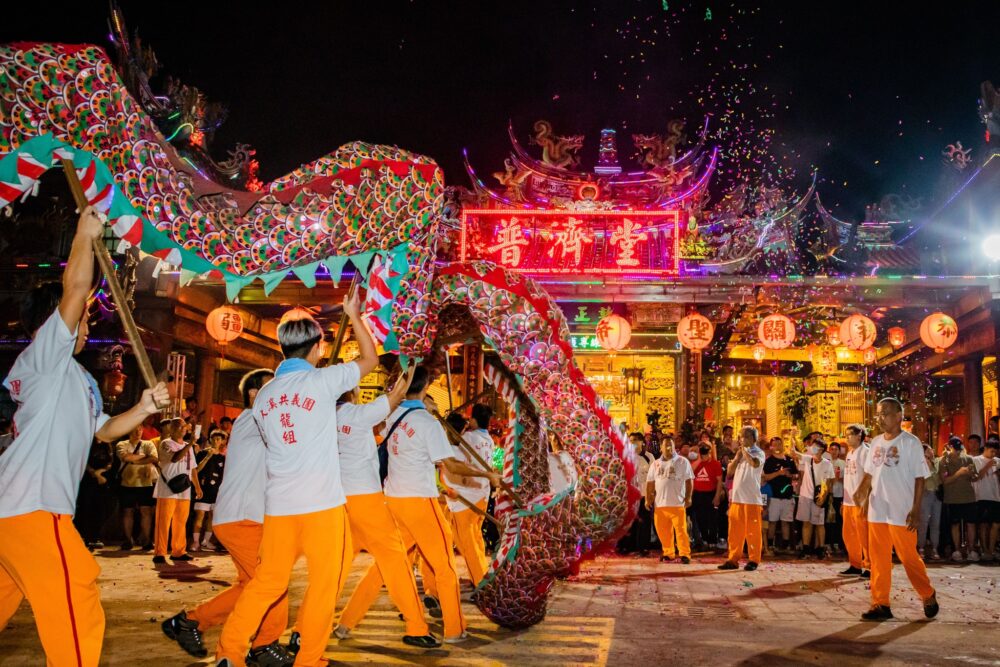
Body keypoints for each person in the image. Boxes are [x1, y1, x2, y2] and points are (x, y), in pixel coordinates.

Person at [0, 205, 169, 666]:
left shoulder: (75, 378)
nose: (87, 324)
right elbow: (76, 288)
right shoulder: (43, 357)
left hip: (16, 510)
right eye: (80, 319)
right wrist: (84, 233)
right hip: (33, 508)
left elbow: (105, 432)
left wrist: (143, 407)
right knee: (77, 598)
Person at [214, 296, 376, 667]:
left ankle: (230, 651)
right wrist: (354, 316)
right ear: (318, 347)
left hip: (279, 507)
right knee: (322, 586)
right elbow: (369, 361)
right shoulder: (323, 381)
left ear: (283, 346)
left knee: (266, 583)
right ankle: (309, 659)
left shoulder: (265, 396)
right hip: (321, 505)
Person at [340, 366, 501, 644]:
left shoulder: (391, 418)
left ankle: (346, 622)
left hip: (394, 500)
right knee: (445, 566)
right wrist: (487, 474)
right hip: (420, 503)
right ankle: (454, 629)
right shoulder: (428, 424)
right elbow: (451, 466)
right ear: (426, 387)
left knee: (385, 566)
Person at [332, 368, 440, 648]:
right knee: (396, 563)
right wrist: (413, 365)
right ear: (353, 391)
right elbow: (397, 396)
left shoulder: (322, 418)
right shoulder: (357, 415)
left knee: (333, 571)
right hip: (366, 500)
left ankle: (305, 630)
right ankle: (416, 627)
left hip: (337, 501)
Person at [853, 397, 938, 621]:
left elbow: (920, 479)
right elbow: (870, 474)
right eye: (879, 414)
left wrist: (916, 509)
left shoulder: (910, 443)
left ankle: (927, 592)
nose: (881, 418)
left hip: (902, 510)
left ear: (899, 415)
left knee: (908, 556)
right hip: (877, 509)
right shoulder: (877, 442)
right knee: (878, 558)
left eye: (886, 413)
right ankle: (880, 603)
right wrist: (862, 496)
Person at [444, 403, 496, 585]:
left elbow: (457, 464)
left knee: (467, 543)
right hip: (482, 495)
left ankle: (480, 582)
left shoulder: (466, 440)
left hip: (464, 499)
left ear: (473, 420)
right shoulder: (489, 440)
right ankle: (482, 572)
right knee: (475, 538)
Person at [153, 417, 202, 564]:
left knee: (181, 521)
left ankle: (178, 551)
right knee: (163, 521)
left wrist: (197, 487)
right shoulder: (166, 443)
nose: (184, 429)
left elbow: (192, 468)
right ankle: (160, 552)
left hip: (184, 489)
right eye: (180, 427)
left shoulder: (188, 445)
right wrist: (191, 444)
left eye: (184, 427)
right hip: (167, 489)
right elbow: (175, 458)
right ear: (172, 429)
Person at [718, 426, 765, 571]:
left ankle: (754, 559)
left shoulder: (759, 453)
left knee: (753, 531)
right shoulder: (739, 454)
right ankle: (733, 559)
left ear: (753, 439)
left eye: (744, 437)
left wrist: (744, 453)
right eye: (740, 437)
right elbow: (729, 474)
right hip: (737, 498)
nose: (741, 439)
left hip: (751, 499)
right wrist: (737, 459)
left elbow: (755, 463)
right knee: (735, 531)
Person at [646, 437, 694, 563]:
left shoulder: (683, 462)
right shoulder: (655, 463)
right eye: (666, 445)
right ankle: (668, 552)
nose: (668, 448)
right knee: (663, 531)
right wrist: (648, 498)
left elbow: (689, 481)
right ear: (661, 448)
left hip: (677, 503)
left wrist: (688, 497)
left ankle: (684, 554)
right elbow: (650, 483)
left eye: (671, 445)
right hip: (660, 505)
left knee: (681, 531)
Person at [116, 423, 159, 550]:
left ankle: (146, 540)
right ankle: (128, 540)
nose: (138, 432)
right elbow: (125, 457)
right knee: (127, 511)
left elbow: (155, 458)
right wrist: (146, 457)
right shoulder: (122, 444)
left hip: (145, 483)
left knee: (146, 511)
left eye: (140, 430)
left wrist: (133, 460)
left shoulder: (148, 444)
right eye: (135, 430)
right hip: (127, 482)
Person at [940, 436, 979, 561]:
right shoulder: (944, 461)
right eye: (955, 449)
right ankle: (956, 550)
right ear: (949, 447)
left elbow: (975, 477)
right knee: (955, 524)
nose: (957, 451)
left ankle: (971, 550)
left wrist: (972, 474)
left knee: (971, 524)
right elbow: (945, 481)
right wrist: (959, 473)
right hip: (952, 498)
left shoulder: (968, 459)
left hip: (968, 497)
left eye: (959, 449)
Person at [74, 437, 117, 550]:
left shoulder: (107, 445)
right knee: (86, 508)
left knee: (100, 509)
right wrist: (94, 473)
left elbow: (110, 462)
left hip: (103, 480)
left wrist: (101, 472)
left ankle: (95, 537)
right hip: (88, 481)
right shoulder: (87, 443)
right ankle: (84, 537)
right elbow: (84, 461)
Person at [840, 424, 871, 577]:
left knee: (864, 535)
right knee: (849, 535)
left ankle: (870, 567)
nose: (846, 438)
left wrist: (866, 499)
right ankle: (855, 564)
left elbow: (869, 476)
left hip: (861, 502)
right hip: (848, 502)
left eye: (849, 435)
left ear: (859, 435)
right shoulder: (850, 452)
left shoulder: (865, 452)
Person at [796, 440, 835, 560]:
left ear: (821, 449)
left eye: (814, 446)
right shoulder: (808, 459)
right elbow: (794, 453)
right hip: (805, 495)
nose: (811, 447)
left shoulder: (827, 464)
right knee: (806, 522)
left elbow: (829, 482)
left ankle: (820, 548)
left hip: (819, 497)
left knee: (819, 524)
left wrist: (823, 497)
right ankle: (806, 548)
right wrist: (793, 438)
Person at [192, 429, 227, 551]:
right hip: (203, 490)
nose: (216, 441)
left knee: (212, 516)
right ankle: (195, 542)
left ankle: (206, 541)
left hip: (217, 491)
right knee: (200, 515)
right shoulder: (202, 453)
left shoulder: (223, 458)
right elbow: (196, 471)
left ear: (222, 441)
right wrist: (208, 456)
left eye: (219, 439)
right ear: (210, 440)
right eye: (214, 438)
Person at [620, 432, 655, 555]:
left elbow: (653, 476)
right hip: (630, 495)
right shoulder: (625, 456)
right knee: (629, 522)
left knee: (644, 521)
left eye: (636, 440)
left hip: (645, 494)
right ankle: (628, 546)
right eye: (631, 440)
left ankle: (643, 547)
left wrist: (651, 494)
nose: (633, 443)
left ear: (642, 442)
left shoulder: (649, 457)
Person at [762, 437, 798, 553]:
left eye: (779, 443)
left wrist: (791, 476)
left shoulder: (789, 459)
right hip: (774, 496)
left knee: (785, 522)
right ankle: (771, 544)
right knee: (772, 521)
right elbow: (765, 477)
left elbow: (797, 475)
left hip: (787, 495)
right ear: (771, 447)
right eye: (775, 444)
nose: (777, 446)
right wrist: (778, 473)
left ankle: (785, 545)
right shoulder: (768, 461)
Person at [690, 441, 724, 551]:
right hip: (698, 494)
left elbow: (719, 481)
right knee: (700, 518)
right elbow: (690, 472)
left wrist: (717, 496)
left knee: (712, 518)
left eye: (706, 453)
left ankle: (713, 540)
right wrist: (699, 459)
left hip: (711, 493)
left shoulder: (716, 464)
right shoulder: (695, 462)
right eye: (703, 453)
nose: (705, 456)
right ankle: (704, 539)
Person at [972, 438, 1000, 562]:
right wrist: (988, 465)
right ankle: (984, 550)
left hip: (995, 496)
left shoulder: (998, 461)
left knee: (995, 523)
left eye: (995, 452)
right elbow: (977, 477)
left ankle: (991, 549)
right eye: (991, 452)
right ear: (986, 449)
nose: (993, 455)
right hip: (981, 496)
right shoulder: (976, 460)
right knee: (983, 524)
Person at [918, 443, 943, 560]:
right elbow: (922, 479)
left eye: (931, 450)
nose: (932, 451)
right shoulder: (919, 463)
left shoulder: (937, 462)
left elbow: (941, 478)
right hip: (925, 493)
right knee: (923, 522)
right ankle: (921, 548)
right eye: (929, 450)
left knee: (935, 523)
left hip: (937, 494)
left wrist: (931, 469)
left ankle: (935, 548)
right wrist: (927, 468)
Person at [827, 442, 847, 553]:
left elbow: (847, 480)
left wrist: (839, 478)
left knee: (839, 521)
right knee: (828, 521)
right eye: (832, 449)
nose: (833, 451)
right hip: (827, 494)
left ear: (839, 451)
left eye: (836, 449)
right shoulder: (826, 462)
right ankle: (828, 543)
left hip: (839, 494)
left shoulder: (842, 463)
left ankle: (840, 544)